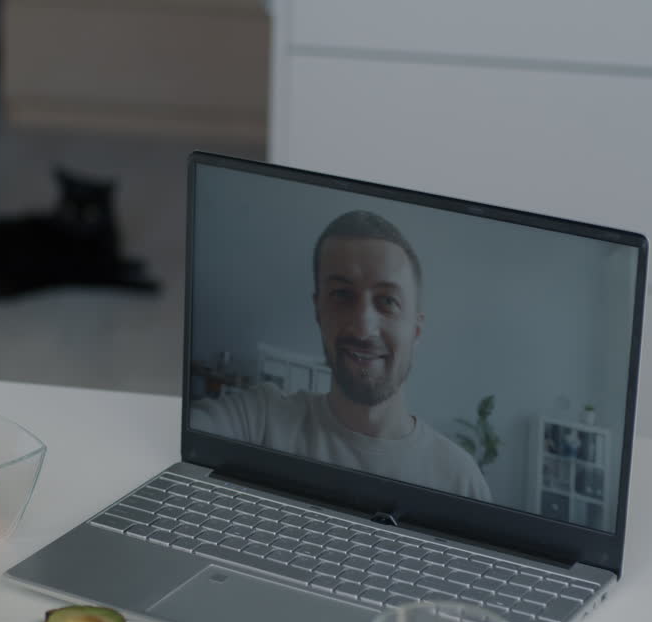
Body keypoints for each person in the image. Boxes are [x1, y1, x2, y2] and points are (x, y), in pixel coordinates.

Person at [190, 210, 493, 502]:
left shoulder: (461, 482)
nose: (363, 328)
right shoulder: (258, 421)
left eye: (387, 301)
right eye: (342, 295)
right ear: (318, 310)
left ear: (416, 328)